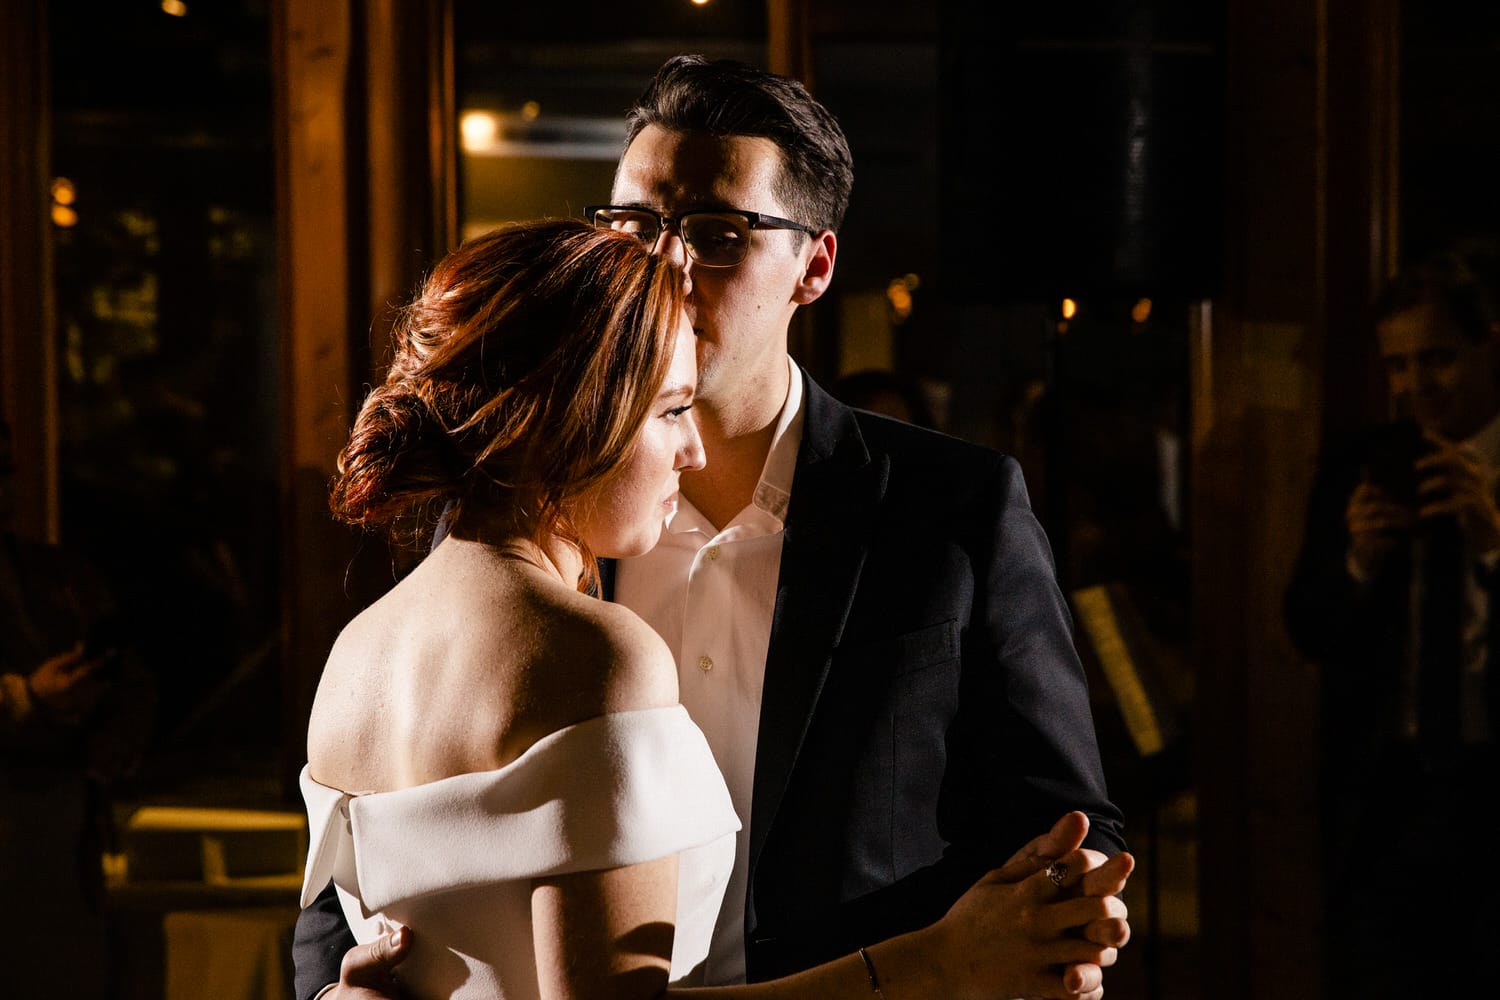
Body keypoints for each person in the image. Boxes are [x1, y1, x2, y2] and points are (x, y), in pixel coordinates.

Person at [297, 55, 1130, 997]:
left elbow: (1059, 825)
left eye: (716, 233)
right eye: (633, 225)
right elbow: (354, 884)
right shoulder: (508, 526)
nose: (665, 264)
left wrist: (1066, 901)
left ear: (814, 266)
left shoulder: (951, 509)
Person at [1285, 249, 1500, 997]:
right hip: (1387, 798)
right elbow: (1307, 627)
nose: (1416, 386)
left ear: (1488, 346)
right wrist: (1357, 564)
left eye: (1436, 359)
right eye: (1398, 365)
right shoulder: (1359, 463)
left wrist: (1494, 546)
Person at [0, 418, 156, 1000]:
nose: (4, 489)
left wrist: (104, 748)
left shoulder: (58, 576)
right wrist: (28, 697)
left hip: (62, 848)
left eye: (6, 470)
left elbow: (135, 683)